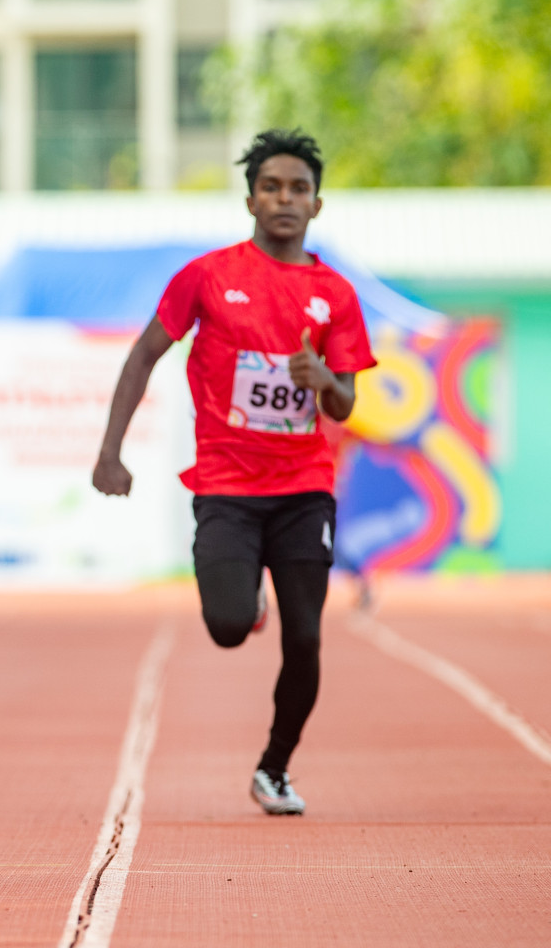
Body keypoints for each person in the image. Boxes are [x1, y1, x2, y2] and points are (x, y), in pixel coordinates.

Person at [92, 129, 375, 816]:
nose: (285, 198)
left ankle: (274, 767)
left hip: (305, 486)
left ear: (317, 204)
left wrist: (321, 381)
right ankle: (246, 599)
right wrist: (110, 450)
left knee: (305, 637)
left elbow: (346, 400)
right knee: (225, 625)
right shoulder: (208, 277)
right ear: (250, 199)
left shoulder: (334, 294)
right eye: (272, 187)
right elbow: (142, 356)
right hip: (226, 485)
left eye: (299, 189)